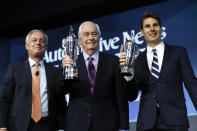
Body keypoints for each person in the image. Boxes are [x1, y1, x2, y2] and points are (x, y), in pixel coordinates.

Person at [120, 11, 197, 131]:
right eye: (147, 26)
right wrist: (128, 77)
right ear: (141, 32)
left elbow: (192, 84)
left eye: (155, 25)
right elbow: (131, 96)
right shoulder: (137, 60)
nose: (152, 29)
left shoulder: (178, 52)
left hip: (175, 121)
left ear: (161, 28)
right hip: (147, 123)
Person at [62, 21, 129, 131]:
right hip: (77, 124)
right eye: (86, 34)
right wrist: (64, 71)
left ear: (99, 37)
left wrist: (123, 127)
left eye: (94, 34)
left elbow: (120, 97)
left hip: (107, 124)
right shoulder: (71, 62)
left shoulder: (113, 62)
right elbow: (62, 91)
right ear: (79, 40)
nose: (91, 37)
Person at [0, 29, 66, 131]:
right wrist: (2, 126)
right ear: (26, 45)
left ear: (46, 47)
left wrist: (61, 128)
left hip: (48, 126)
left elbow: (60, 102)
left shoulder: (55, 72)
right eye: (34, 40)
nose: (38, 43)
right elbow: (4, 100)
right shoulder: (14, 69)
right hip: (19, 126)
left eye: (42, 41)